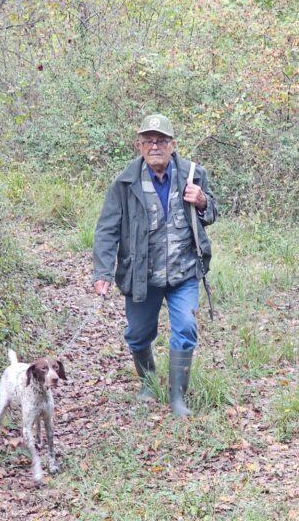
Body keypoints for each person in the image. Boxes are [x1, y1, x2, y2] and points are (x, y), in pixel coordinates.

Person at [92, 113, 217, 417]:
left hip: (184, 271)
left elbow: (211, 213)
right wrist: (103, 272)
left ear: (173, 145)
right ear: (139, 146)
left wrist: (201, 201)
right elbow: (107, 229)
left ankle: (177, 399)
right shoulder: (124, 183)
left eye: (161, 140)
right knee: (137, 334)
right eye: (148, 141)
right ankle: (147, 384)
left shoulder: (193, 175)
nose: (155, 146)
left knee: (186, 328)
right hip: (141, 275)